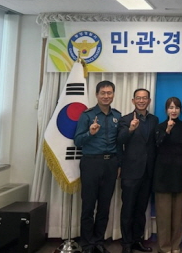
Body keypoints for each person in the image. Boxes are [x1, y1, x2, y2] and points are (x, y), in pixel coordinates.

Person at [74, 80, 121, 253]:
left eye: (109, 93)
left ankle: (99, 241)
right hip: (91, 163)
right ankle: (87, 244)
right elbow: (77, 141)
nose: (106, 96)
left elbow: (119, 143)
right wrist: (90, 133)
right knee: (88, 205)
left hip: (111, 164)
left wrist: (119, 164)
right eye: (103, 93)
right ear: (96, 95)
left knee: (104, 205)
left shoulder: (117, 116)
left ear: (113, 95)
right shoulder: (87, 116)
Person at [117, 88, 159, 253]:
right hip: (130, 171)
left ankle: (137, 240)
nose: (141, 101)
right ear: (133, 101)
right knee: (128, 209)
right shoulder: (125, 119)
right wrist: (130, 129)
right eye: (138, 98)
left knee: (141, 209)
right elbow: (119, 140)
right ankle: (126, 244)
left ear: (149, 101)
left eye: (145, 98)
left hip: (148, 172)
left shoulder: (154, 120)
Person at [154, 97, 182, 253]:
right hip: (162, 175)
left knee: (178, 214)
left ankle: (175, 245)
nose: (174, 110)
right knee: (163, 214)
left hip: (180, 174)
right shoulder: (159, 127)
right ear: (166, 110)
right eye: (171, 107)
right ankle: (164, 246)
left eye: (176, 108)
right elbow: (157, 145)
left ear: (180, 110)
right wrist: (167, 131)